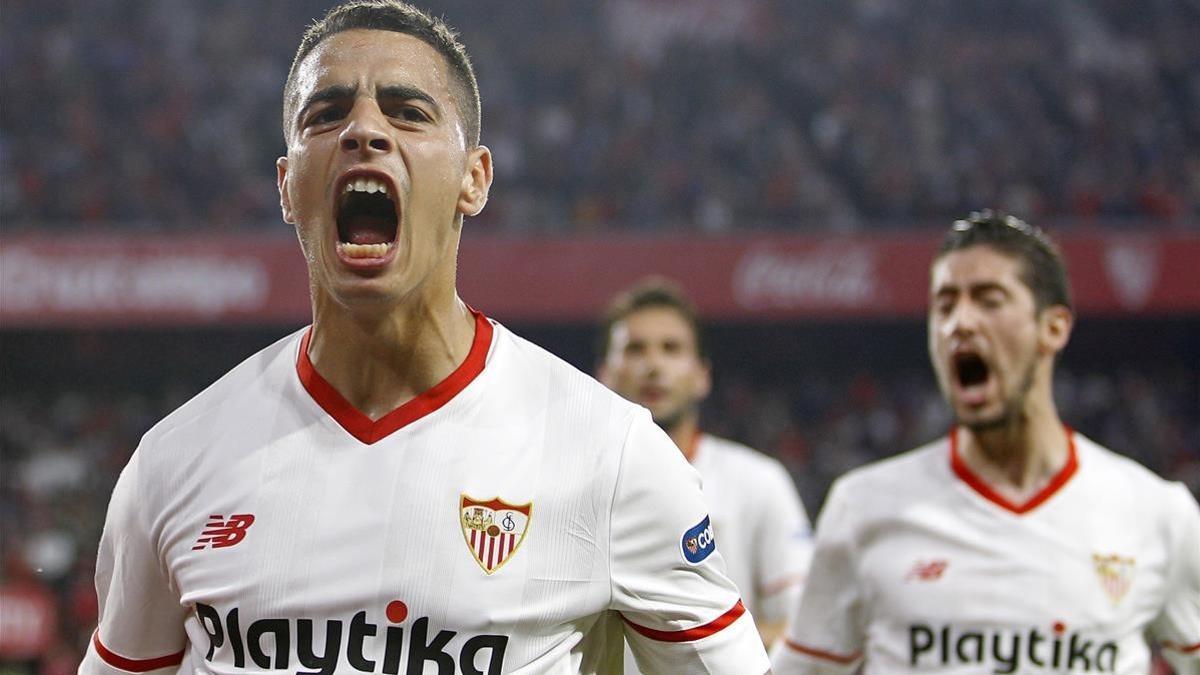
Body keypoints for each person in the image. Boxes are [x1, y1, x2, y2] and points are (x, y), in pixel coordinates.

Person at [79, 2, 770, 673]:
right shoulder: (172, 461)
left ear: (474, 179)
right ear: (288, 188)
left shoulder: (612, 455)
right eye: (327, 114)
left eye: (408, 112)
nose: (364, 131)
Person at [770, 211, 1200, 674]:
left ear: (1053, 328)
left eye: (989, 300)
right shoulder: (863, 508)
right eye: (945, 306)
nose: (960, 323)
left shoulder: (1156, 515)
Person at [598, 279, 813, 657]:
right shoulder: (572, 485)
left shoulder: (758, 482)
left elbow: (803, 625)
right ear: (605, 375)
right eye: (635, 349)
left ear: (702, 376)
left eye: (671, 348)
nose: (653, 365)